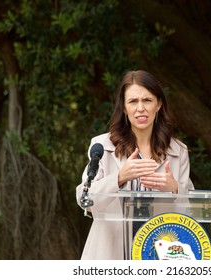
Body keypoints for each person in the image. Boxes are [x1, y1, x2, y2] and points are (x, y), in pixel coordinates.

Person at [76, 70, 194, 259]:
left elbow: (191, 211)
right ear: (124, 108)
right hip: (109, 253)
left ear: (159, 104)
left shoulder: (177, 151)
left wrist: (175, 188)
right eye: (133, 101)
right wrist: (119, 177)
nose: (140, 108)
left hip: (158, 254)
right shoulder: (102, 146)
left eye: (147, 100)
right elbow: (84, 200)